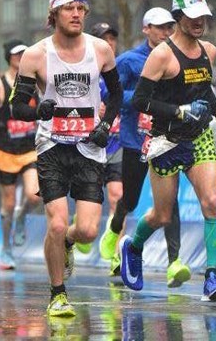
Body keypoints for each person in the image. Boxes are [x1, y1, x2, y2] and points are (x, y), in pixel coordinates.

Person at [10, 0, 122, 316]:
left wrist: (105, 125)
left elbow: (116, 95)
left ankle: (69, 244)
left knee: (86, 230)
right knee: (56, 224)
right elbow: (17, 108)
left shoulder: (100, 50)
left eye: (81, 9)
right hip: (52, 146)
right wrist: (38, 111)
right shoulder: (35, 55)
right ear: (54, 13)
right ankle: (58, 294)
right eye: (68, 9)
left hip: (89, 146)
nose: (76, 14)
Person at [121, 0, 216, 302]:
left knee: (212, 202)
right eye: (193, 17)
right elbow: (141, 101)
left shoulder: (209, 50)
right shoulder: (162, 55)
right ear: (179, 17)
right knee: (162, 216)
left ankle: (212, 277)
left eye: (204, 17)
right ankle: (134, 245)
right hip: (165, 140)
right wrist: (179, 111)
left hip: (198, 137)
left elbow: (205, 89)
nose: (199, 23)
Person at [99, 7, 191, 286]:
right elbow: (108, 93)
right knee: (130, 199)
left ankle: (174, 262)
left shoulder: (176, 59)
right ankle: (115, 230)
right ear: (146, 29)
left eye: (169, 27)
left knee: (170, 201)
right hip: (135, 139)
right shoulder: (128, 61)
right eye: (160, 27)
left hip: (165, 140)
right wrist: (143, 98)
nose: (165, 33)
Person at [0, 39, 41, 270]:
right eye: (16, 54)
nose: (20, 57)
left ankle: (23, 216)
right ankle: (6, 248)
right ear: (8, 57)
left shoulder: (35, 82)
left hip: (29, 149)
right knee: (7, 202)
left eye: (23, 53)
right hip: (5, 150)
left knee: (35, 195)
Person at [75, 22, 123, 268]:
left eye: (112, 38)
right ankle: (79, 226)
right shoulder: (85, 69)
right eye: (104, 38)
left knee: (118, 197)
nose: (110, 43)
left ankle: (116, 254)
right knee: (88, 222)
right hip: (89, 146)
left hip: (116, 144)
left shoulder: (120, 68)